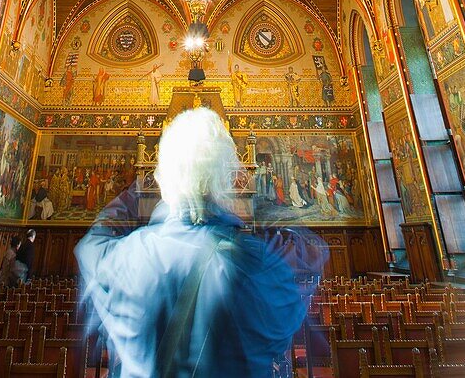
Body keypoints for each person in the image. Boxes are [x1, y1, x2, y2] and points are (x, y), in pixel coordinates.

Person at [76, 107, 326, 378]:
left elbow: (90, 245)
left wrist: (136, 189)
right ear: (225, 179)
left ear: (163, 177)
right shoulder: (253, 264)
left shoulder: (127, 257)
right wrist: (261, 203)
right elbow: (311, 256)